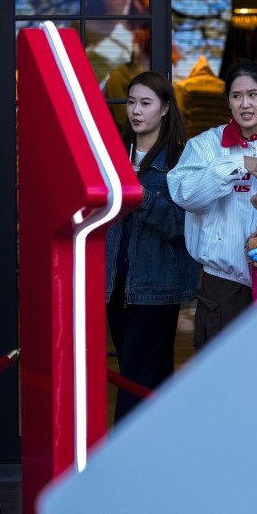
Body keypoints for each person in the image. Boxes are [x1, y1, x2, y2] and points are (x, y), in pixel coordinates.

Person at [168, 59, 257, 349]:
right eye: (237, 96)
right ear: (228, 102)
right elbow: (186, 196)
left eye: (253, 94)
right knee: (219, 384)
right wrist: (236, 163)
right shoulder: (205, 145)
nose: (245, 104)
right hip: (222, 285)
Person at [105, 71, 200, 423]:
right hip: (115, 285)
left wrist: (142, 197)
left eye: (146, 103)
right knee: (149, 378)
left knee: (137, 380)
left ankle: (123, 462)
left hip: (158, 288)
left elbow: (183, 227)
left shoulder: (180, 160)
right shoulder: (112, 153)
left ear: (164, 109)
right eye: (131, 102)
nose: (136, 111)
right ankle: (160, 451)